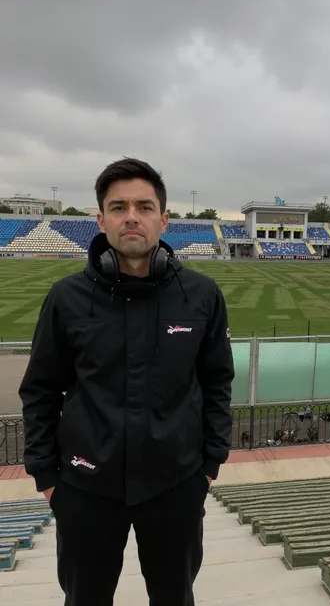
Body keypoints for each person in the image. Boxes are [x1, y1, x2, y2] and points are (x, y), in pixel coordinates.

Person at [19, 158, 235, 606]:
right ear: (101, 220)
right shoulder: (66, 299)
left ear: (164, 219)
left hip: (176, 487)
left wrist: (209, 465)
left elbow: (217, 382)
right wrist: (47, 477)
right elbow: (40, 389)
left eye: (144, 206)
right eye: (118, 207)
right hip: (84, 490)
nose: (131, 216)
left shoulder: (201, 295)